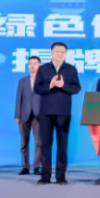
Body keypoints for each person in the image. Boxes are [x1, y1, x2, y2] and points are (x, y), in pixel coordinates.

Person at [34, 42, 81, 184]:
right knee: (45, 144)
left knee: (62, 145)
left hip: (63, 112)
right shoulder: (43, 69)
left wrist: (63, 86)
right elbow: (37, 88)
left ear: (66, 53)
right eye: (57, 51)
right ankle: (45, 176)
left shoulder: (71, 69)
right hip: (46, 112)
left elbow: (76, 89)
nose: (60, 54)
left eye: (62, 51)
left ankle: (61, 176)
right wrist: (50, 85)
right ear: (52, 52)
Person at [14, 55, 42, 176]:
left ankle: (36, 166)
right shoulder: (23, 81)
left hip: (39, 115)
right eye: (30, 63)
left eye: (35, 63)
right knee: (24, 142)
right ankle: (25, 166)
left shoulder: (44, 81)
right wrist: (17, 115)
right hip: (24, 115)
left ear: (39, 65)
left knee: (39, 143)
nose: (32, 66)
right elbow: (18, 99)